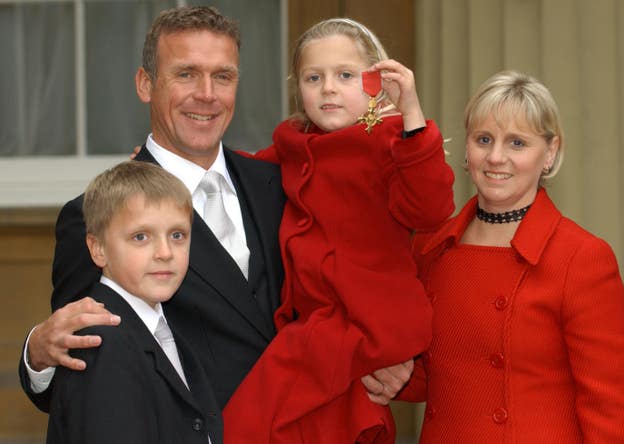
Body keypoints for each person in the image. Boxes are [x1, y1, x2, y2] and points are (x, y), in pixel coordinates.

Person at [19, 5, 409, 428]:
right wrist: (37, 353)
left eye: (222, 76)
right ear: (145, 84)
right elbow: (81, 372)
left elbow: (353, 273)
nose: (207, 93)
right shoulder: (95, 215)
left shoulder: (284, 183)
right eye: (186, 74)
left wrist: (383, 354)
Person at [222, 18, 455, 443]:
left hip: (367, 320)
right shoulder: (294, 145)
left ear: (375, 81)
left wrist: (412, 115)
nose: (328, 87)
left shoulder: (392, 142)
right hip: (325, 322)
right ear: (299, 87)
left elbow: (430, 209)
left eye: (345, 75)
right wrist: (174, 168)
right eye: (315, 77)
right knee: (326, 425)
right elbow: (245, 171)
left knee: (251, 418)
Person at [399, 70, 624, 443]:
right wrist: (385, 373)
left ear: (550, 152)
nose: (496, 157)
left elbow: (608, 412)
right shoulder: (431, 246)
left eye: (517, 143)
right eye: (484, 139)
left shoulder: (582, 257)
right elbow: (435, 377)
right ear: (467, 148)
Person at [47, 161, 220, 444]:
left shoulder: (162, 327)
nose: (165, 252)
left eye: (177, 235)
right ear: (98, 249)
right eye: (141, 237)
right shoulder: (102, 343)